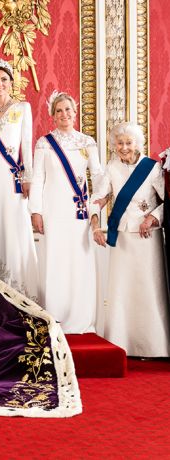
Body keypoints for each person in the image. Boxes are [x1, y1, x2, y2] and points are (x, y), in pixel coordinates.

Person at [90, 122, 169, 357]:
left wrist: (153, 218)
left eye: (129, 142)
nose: (124, 147)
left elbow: (167, 201)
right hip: (123, 237)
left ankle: (155, 347)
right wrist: (95, 224)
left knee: (148, 289)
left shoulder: (153, 168)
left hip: (147, 238)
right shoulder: (112, 167)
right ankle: (124, 345)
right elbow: (99, 196)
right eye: (120, 143)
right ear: (114, 145)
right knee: (123, 291)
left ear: (138, 143)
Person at [29, 91, 102, 334]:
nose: (64, 114)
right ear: (53, 115)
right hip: (53, 210)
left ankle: (80, 315)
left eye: (68, 110)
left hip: (78, 213)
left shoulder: (87, 142)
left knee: (79, 260)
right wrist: (36, 211)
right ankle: (55, 313)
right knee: (55, 259)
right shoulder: (44, 142)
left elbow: (99, 176)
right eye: (59, 110)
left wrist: (99, 203)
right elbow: (38, 179)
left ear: (75, 111)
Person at [0, 59, 39, 300]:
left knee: (16, 227)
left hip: (15, 181)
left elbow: (27, 146)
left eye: (4, 80)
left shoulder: (23, 108)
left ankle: (21, 287)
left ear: (11, 83)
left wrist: (28, 178)